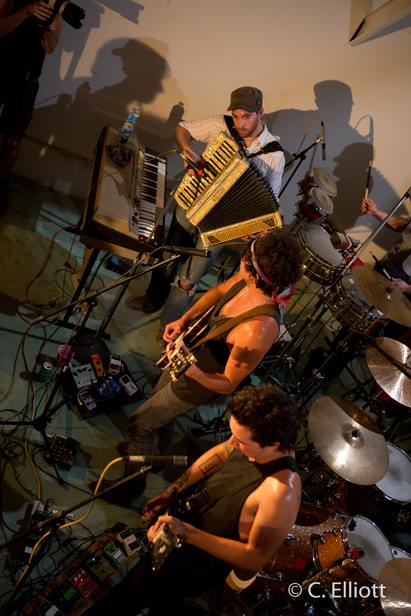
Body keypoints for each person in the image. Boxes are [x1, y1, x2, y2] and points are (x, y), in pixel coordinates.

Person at [93, 229, 303, 502]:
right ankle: (155, 457)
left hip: (199, 382)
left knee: (138, 425)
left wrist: (192, 372)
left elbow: (228, 383)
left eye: (244, 256)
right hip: (189, 356)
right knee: (160, 409)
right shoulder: (247, 281)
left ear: (253, 273)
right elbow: (218, 292)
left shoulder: (258, 328)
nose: (241, 258)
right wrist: (184, 320)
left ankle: (130, 488)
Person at [86, 383, 302, 616]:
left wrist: (187, 533)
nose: (233, 443)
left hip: (197, 565)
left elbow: (254, 557)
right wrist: (172, 491)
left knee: (142, 596)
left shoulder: (281, 492)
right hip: (182, 532)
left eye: (241, 441)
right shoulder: (250, 442)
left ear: (273, 445)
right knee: (134, 591)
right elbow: (221, 453)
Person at [133, 85, 286, 327]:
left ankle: (169, 324)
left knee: (189, 278)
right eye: (236, 116)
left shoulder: (273, 154)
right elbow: (182, 129)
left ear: (260, 112)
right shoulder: (221, 125)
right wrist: (187, 150)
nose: (240, 123)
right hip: (192, 202)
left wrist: (253, 228)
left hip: (222, 225)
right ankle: (153, 298)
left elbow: (270, 203)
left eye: (247, 117)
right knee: (168, 256)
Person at [0, 0, 61, 211]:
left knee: (12, 140)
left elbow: (49, 48)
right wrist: (25, 12)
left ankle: (2, 185)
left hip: (28, 79)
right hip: (2, 71)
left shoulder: (52, 6)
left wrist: (52, 31)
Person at [361, 196, 411, 296]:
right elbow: (399, 224)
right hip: (386, 265)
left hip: (403, 284)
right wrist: (376, 212)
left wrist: (407, 288)